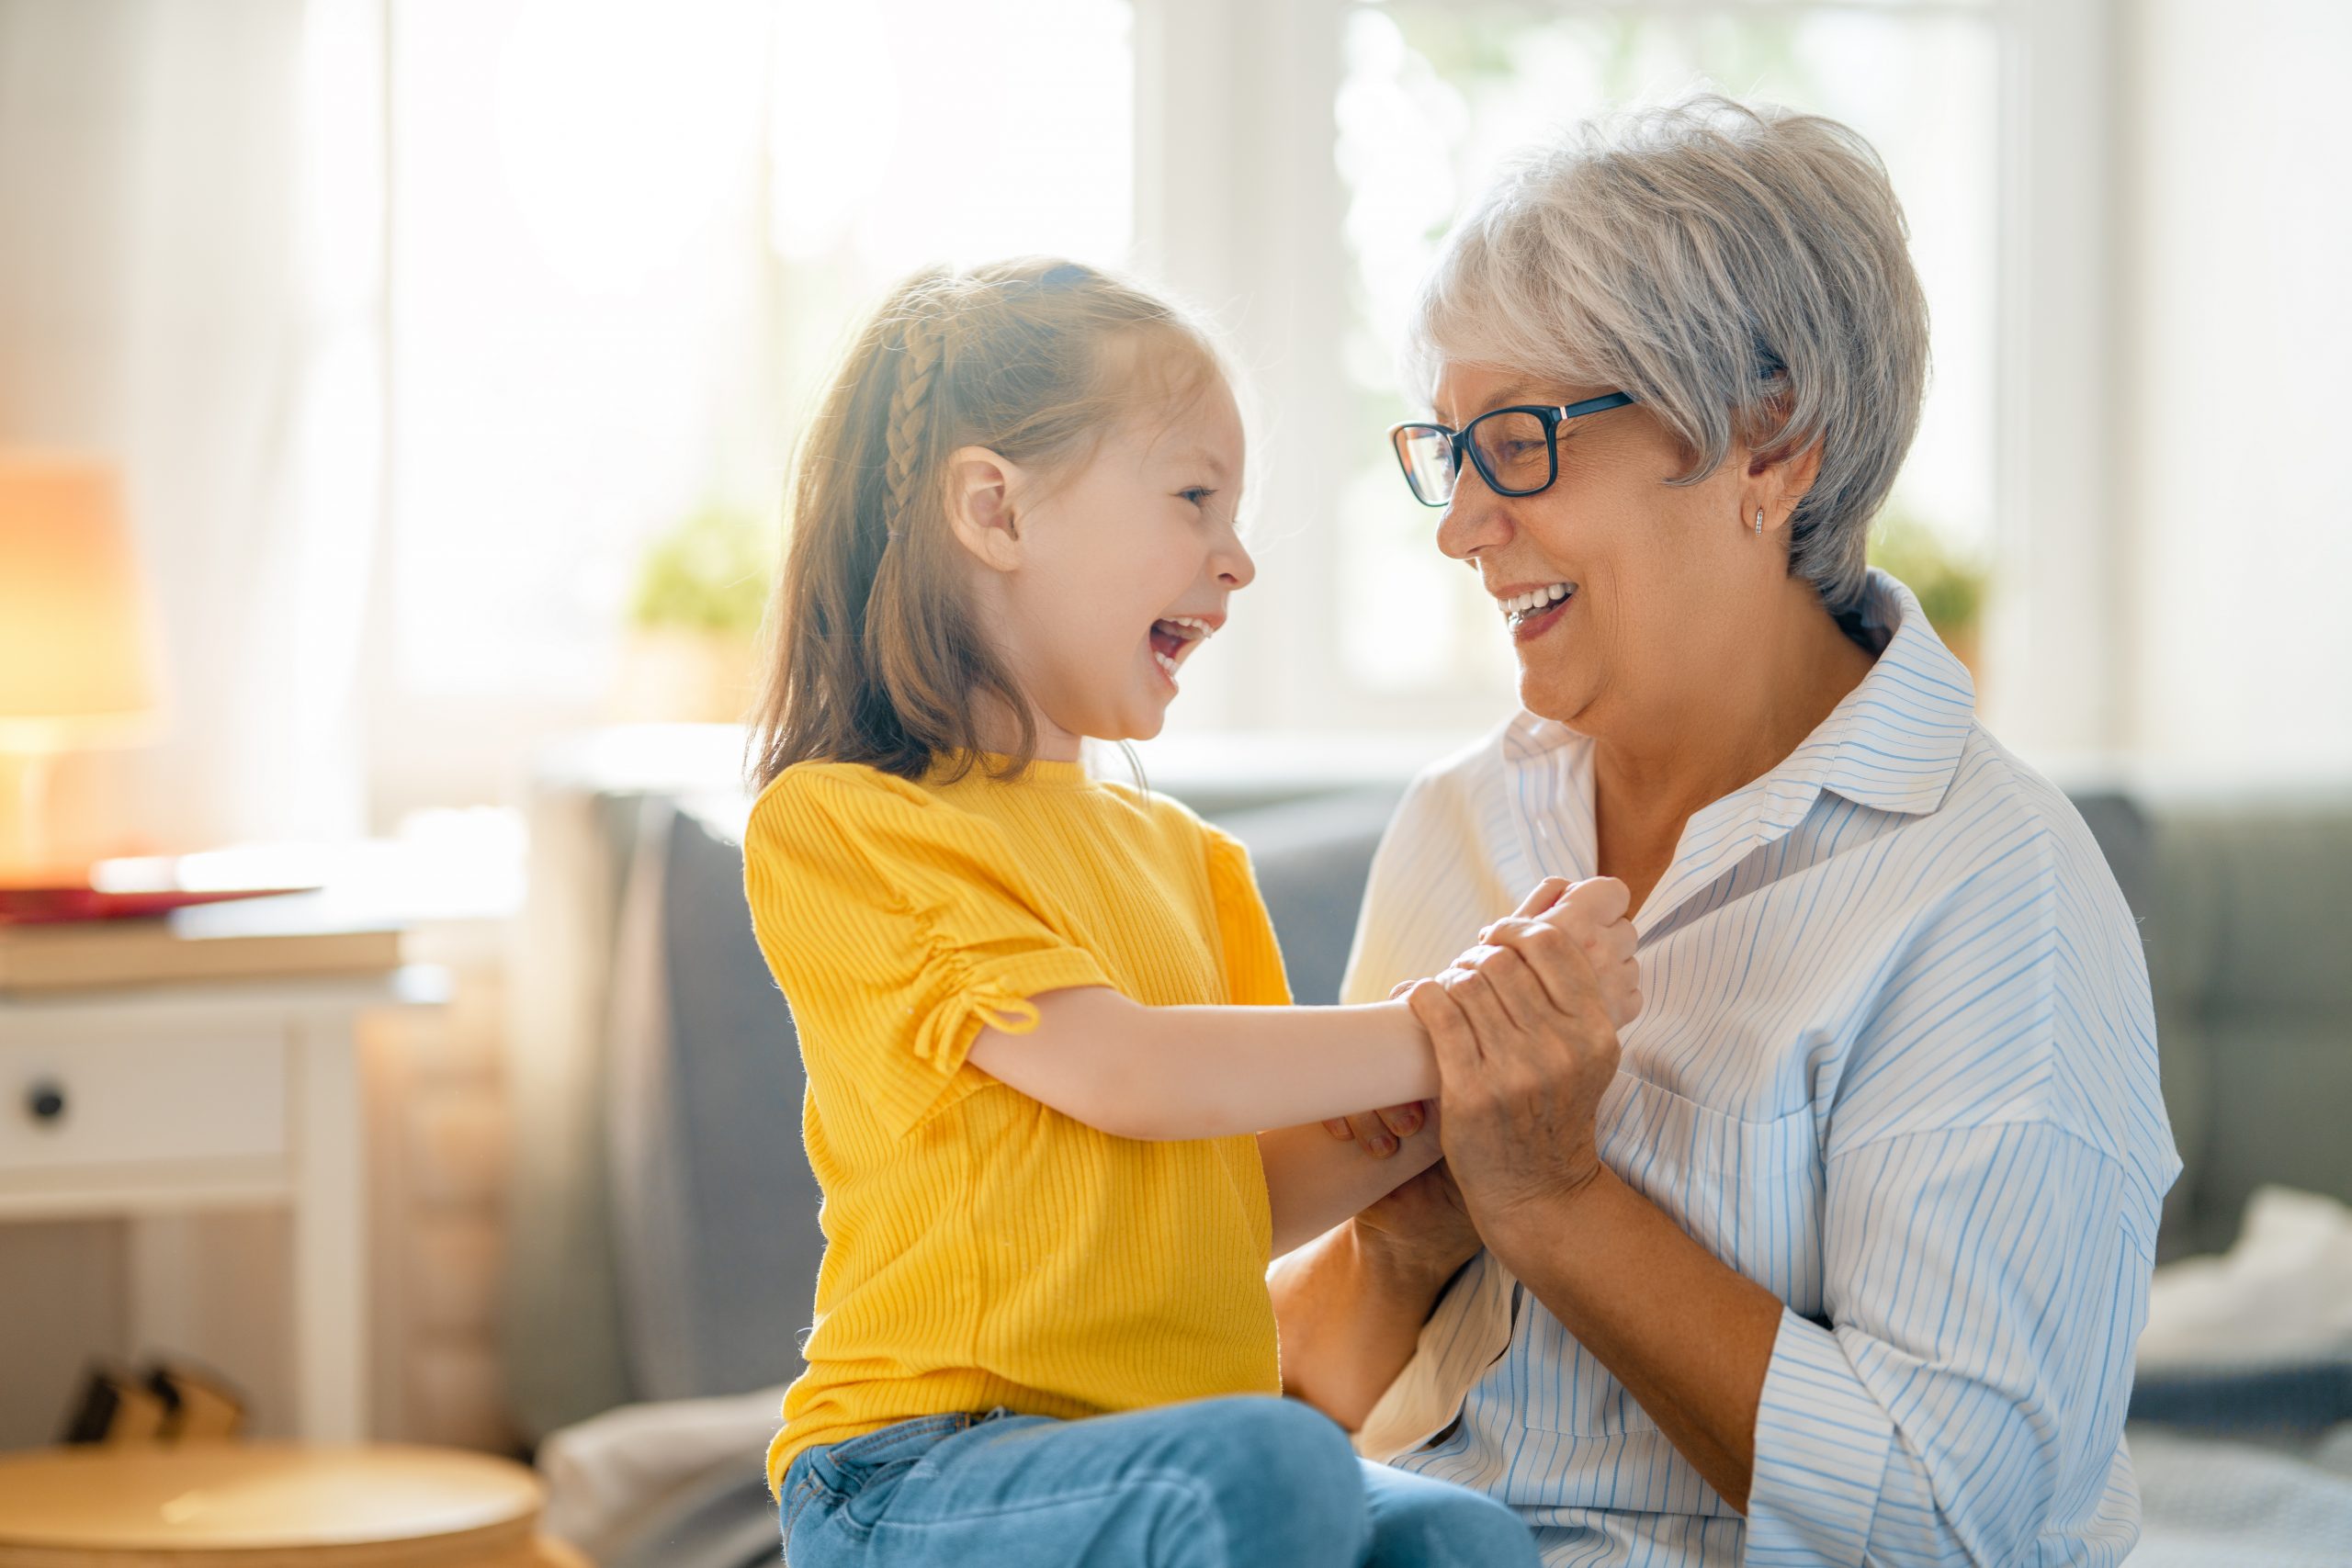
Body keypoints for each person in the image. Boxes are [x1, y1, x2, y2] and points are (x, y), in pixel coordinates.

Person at [1272, 96, 2180, 1565]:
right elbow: (1295, 1408)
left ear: (1771, 444)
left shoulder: (1996, 892)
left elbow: (1952, 1527)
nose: (1460, 527)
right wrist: (1400, 1248)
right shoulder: (1459, 823)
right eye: (1450, 451)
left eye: (1518, 440)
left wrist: (1558, 1203)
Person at [741, 256, 1637, 1568]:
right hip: (918, 1469)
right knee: (1271, 1462)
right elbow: (1127, 1073)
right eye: (1193, 496)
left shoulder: (1185, 857)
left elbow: (1241, 1195)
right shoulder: (847, 824)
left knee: (1462, 1541)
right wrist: (1455, 1022)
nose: (1239, 557)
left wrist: (1510, 1057)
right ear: (995, 510)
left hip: (1165, 1453)